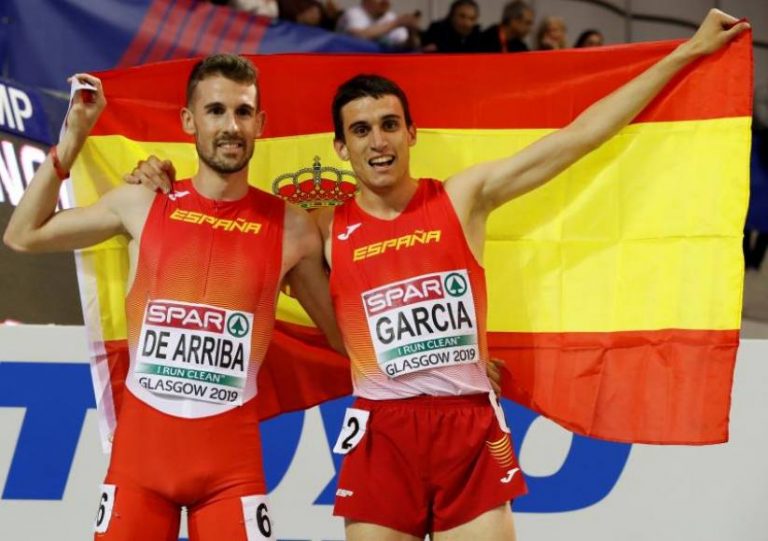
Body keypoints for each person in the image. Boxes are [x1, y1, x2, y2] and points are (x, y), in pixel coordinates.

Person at [127, 9, 748, 540]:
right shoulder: (318, 227)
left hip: (468, 428)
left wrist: (687, 53)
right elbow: (221, 219)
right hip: (382, 431)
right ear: (341, 148)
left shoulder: (462, 199)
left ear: (411, 133)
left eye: (389, 125)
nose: (378, 142)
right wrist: (157, 182)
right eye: (361, 130)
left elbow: (577, 138)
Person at [3, 54, 343, 540]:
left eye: (243, 112)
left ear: (260, 124)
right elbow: (23, 234)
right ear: (188, 121)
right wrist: (73, 138)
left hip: (231, 471)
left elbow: (344, 337)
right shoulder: (144, 201)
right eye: (215, 111)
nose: (231, 126)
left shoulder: (292, 228)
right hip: (140, 467)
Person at [335, 0, 421, 51]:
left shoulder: (391, 17)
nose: (385, 1)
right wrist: (395, 24)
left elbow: (405, 46)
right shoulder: (354, 13)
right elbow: (359, 36)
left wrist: (411, 33)